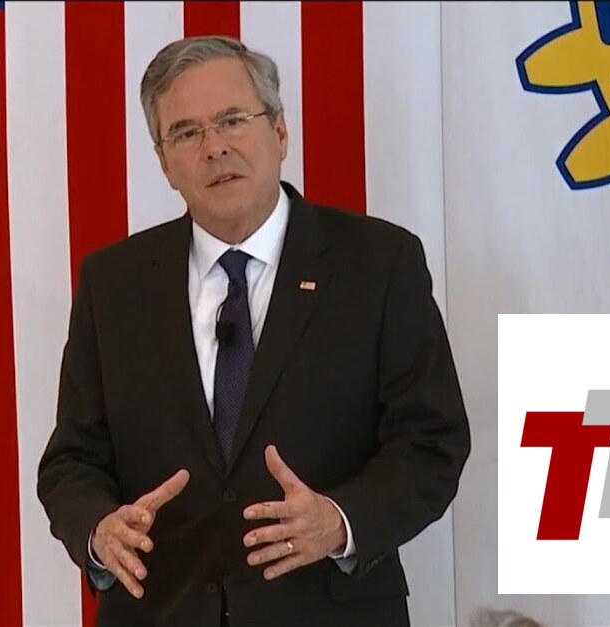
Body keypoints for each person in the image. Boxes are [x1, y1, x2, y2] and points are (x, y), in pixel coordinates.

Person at [37, 35, 471, 627]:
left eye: (232, 120)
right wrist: (97, 530)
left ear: (280, 131)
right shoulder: (113, 283)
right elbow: (72, 459)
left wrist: (339, 521)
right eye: (185, 133)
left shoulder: (377, 264)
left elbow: (432, 443)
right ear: (164, 163)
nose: (214, 147)